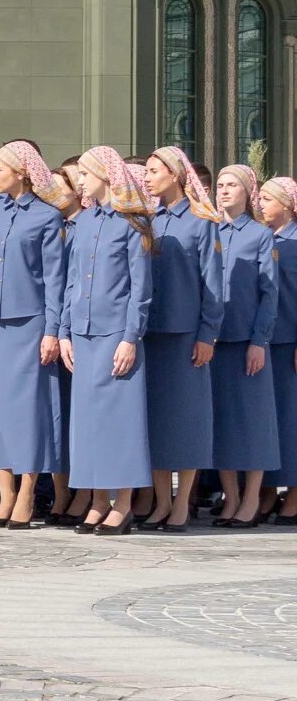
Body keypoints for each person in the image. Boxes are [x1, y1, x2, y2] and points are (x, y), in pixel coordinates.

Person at [0, 141, 68, 529]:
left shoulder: (47, 217)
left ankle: (26, 494)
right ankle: (3, 496)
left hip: (29, 325)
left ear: (22, 173)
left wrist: (52, 331)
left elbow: (56, 280)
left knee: (27, 413)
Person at [58, 147, 153, 534]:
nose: (79, 180)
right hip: (82, 334)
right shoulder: (83, 224)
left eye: (85, 172)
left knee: (121, 422)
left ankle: (124, 504)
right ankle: (97, 501)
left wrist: (131, 338)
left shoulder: (133, 224)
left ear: (104, 175)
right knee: (88, 423)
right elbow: (71, 282)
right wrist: (64, 331)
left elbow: (140, 291)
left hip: (116, 334)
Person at [137, 146, 220, 532]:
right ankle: (159, 502)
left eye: (155, 171)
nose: (148, 177)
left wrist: (207, 335)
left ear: (175, 174)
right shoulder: (148, 220)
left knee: (186, 422)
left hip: (186, 335)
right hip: (150, 333)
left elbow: (212, 286)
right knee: (154, 421)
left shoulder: (202, 221)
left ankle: (182, 502)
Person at [210, 164, 279, 527]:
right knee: (221, 421)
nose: (223, 190)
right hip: (213, 341)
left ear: (247, 191)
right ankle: (231, 496)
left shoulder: (259, 236)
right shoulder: (210, 231)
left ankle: (252, 496)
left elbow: (270, 293)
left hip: (246, 340)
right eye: (220, 185)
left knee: (252, 422)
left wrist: (259, 340)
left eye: (231, 184)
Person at [256, 176, 297, 524]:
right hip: (264, 341)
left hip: (289, 342)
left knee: (291, 421)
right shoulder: (261, 237)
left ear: (286, 203)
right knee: (269, 423)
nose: (260, 205)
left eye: (267, 199)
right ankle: (267, 492)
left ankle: (294, 495)